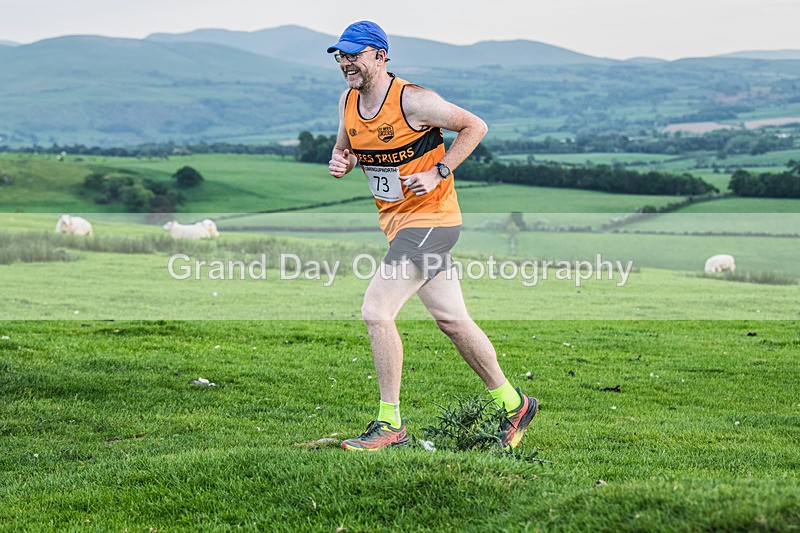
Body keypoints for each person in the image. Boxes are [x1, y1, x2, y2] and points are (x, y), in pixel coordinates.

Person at [327, 20, 538, 451]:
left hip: (431, 220)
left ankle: (390, 425)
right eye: (341, 55)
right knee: (452, 321)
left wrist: (440, 169)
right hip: (400, 225)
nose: (346, 62)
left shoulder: (414, 100)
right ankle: (514, 403)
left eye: (355, 54)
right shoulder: (349, 102)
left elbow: (475, 126)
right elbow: (346, 148)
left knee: (376, 311)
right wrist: (342, 162)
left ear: (380, 56)